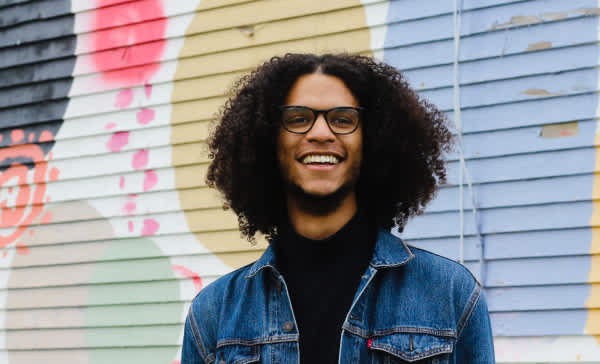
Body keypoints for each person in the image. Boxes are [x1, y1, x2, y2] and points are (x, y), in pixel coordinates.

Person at [181, 53, 495, 363]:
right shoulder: (214, 313)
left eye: (343, 119)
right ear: (268, 142)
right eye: (299, 119)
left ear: (372, 140)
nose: (320, 133)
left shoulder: (451, 294)